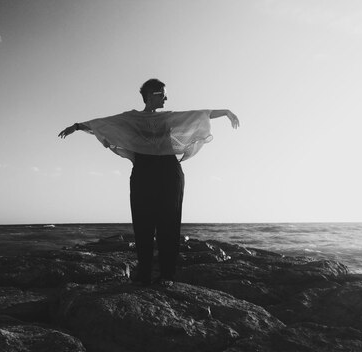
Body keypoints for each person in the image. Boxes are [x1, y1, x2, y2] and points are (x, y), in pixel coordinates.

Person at [58, 78, 239, 286]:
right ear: (151, 95)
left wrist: (225, 111)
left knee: (169, 225)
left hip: (170, 173)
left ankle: (167, 275)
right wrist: (77, 126)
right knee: (142, 224)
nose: (166, 97)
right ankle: (144, 274)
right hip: (143, 173)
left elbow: (198, 114)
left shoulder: (168, 118)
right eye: (162, 93)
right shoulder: (131, 118)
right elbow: (105, 123)